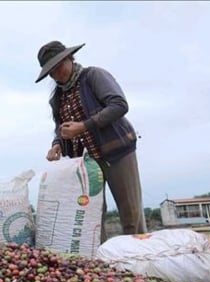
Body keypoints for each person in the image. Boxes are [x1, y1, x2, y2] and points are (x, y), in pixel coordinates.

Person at [35, 41, 147, 242]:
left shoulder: (93, 76)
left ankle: (138, 260)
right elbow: (61, 127)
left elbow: (119, 105)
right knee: (93, 217)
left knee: (130, 213)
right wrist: (57, 144)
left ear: (70, 58)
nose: (57, 73)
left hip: (117, 152)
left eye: (59, 65)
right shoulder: (57, 98)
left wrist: (84, 126)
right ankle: (103, 264)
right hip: (87, 163)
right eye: (51, 71)